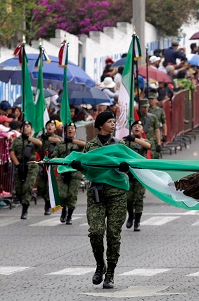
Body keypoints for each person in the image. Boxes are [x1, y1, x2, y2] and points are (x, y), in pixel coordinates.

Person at [75, 111, 126, 289]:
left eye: (114, 121)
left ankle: (110, 272)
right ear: (100, 125)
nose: (113, 124)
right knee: (96, 232)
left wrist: (125, 167)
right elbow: (86, 170)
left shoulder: (120, 145)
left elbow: (130, 167)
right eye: (109, 121)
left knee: (113, 234)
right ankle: (100, 264)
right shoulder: (90, 146)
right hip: (97, 193)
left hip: (117, 195)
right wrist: (79, 165)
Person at [121, 120, 152, 232]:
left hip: (140, 174)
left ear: (142, 129)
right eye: (134, 126)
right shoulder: (126, 142)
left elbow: (148, 146)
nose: (137, 128)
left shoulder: (143, 141)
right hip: (128, 174)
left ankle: (137, 221)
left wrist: (134, 139)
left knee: (138, 198)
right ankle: (131, 215)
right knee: (128, 198)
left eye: (139, 126)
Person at [54, 122, 86, 224]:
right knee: (62, 195)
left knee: (72, 194)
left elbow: (85, 145)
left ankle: (70, 215)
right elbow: (55, 156)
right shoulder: (60, 144)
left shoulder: (78, 143)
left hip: (75, 173)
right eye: (68, 128)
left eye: (72, 128)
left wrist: (72, 141)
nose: (70, 130)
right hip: (63, 171)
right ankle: (63, 211)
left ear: (75, 131)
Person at [9, 121, 42, 219]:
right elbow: (12, 152)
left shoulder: (33, 140)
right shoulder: (16, 140)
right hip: (19, 165)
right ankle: (24, 200)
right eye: (23, 126)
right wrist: (17, 165)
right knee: (19, 189)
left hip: (31, 166)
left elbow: (39, 144)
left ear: (31, 129)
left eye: (28, 126)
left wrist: (28, 138)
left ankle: (25, 209)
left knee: (27, 187)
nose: (25, 128)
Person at [37, 120, 63, 215]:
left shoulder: (57, 138)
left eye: (52, 125)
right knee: (40, 185)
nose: (50, 127)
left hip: (53, 164)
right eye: (48, 125)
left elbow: (59, 141)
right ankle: (47, 200)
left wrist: (47, 138)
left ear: (55, 128)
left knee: (50, 185)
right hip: (42, 163)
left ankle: (48, 205)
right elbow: (37, 143)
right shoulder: (41, 138)